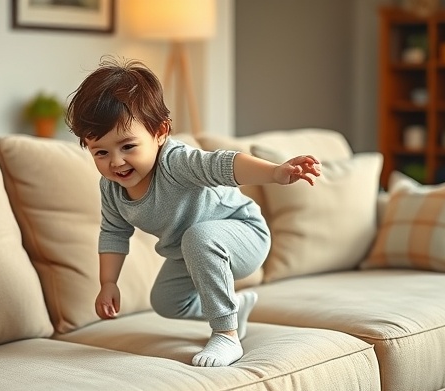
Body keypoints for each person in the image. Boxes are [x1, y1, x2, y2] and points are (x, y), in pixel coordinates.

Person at [66, 57, 321, 367]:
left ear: (160, 132)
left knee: (198, 236)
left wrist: (276, 173)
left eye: (128, 147)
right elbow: (113, 233)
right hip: (191, 253)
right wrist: (108, 283)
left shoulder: (175, 162)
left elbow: (225, 164)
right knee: (166, 301)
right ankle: (233, 307)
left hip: (244, 234)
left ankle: (226, 335)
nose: (116, 162)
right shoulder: (112, 190)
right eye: (101, 153)